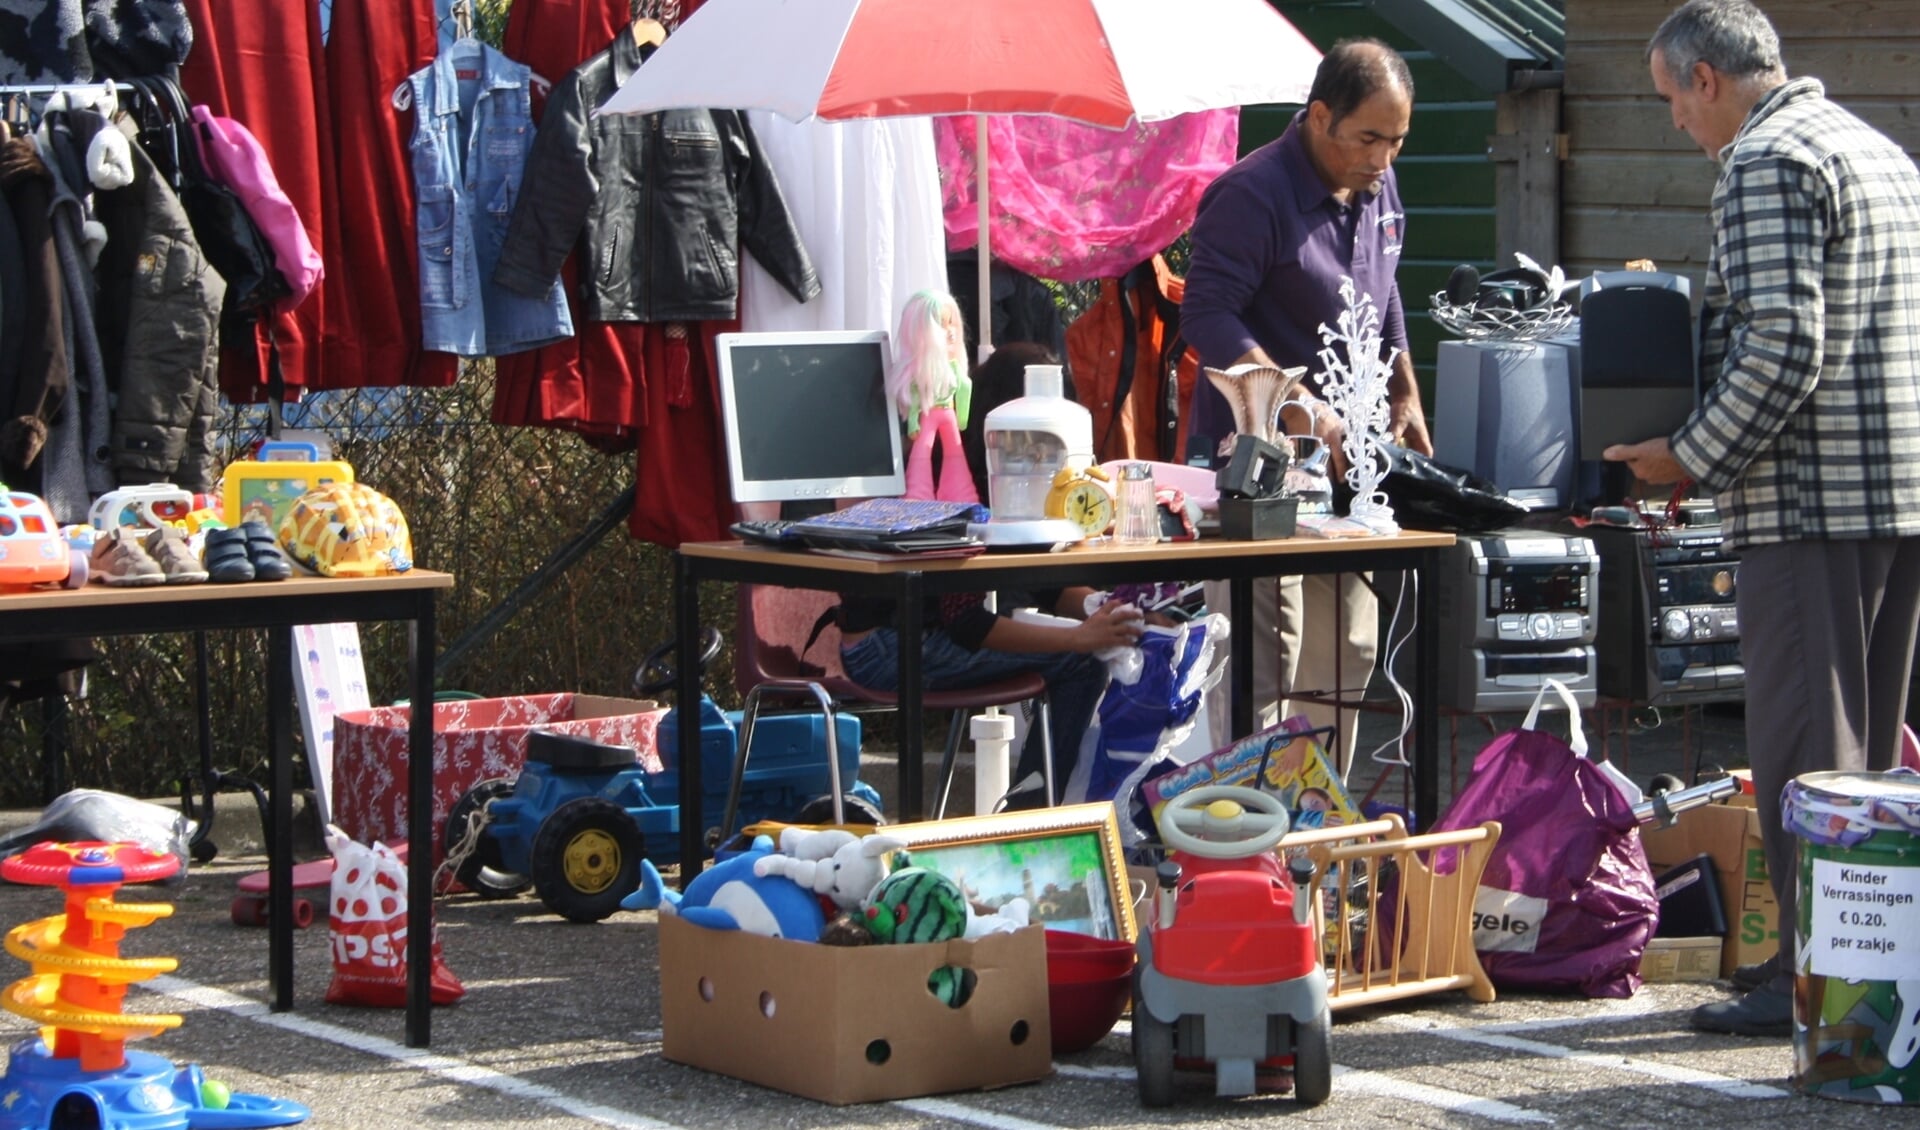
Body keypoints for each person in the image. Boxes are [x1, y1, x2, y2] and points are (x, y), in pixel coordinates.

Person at [1605, 0, 1920, 1038]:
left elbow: (1784, 341)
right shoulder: (1875, 151)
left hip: (1804, 500)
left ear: (1707, 79)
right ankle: (1868, 975)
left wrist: (1690, 453)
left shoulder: (1763, 158)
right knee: (1872, 757)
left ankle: (1814, 970)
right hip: (1895, 493)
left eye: (1669, 103)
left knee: (1805, 753)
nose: (1675, 129)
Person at [1181, 38, 1433, 776]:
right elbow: (1207, 316)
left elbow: (1383, 295)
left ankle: (1320, 843)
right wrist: (1297, 402)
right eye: (1369, 138)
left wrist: (1405, 388)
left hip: (1349, 478)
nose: (1383, 158)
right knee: (1266, 658)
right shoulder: (1250, 194)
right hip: (1256, 472)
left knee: (1348, 652)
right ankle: (1249, 843)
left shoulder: (1379, 185)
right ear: (1320, 117)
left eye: (1397, 141)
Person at [837, 345, 1145, 808]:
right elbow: (967, 623)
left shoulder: (1006, 475)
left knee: (1084, 657)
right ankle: (1027, 820)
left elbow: (1038, 583)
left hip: (907, 637)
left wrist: (1096, 610)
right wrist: (1078, 639)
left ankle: (1030, 813)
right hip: (885, 648)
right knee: (1080, 665)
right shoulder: (960, 484)